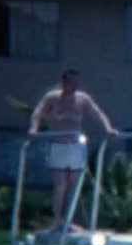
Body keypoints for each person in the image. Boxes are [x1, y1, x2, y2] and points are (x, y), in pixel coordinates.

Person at [29, 69, 119, 232]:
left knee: (72, 186)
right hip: (58, 145)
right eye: (71, 82)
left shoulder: (82, 98)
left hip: (75, 145)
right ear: (64, 82)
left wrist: (108, 128)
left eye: (77, 82)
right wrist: (33, 129)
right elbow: (38, 112)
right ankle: (57, 221)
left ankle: (67, 220)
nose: (75, 85)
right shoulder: (52, 97)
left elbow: (98, 113)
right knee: (60, 185)